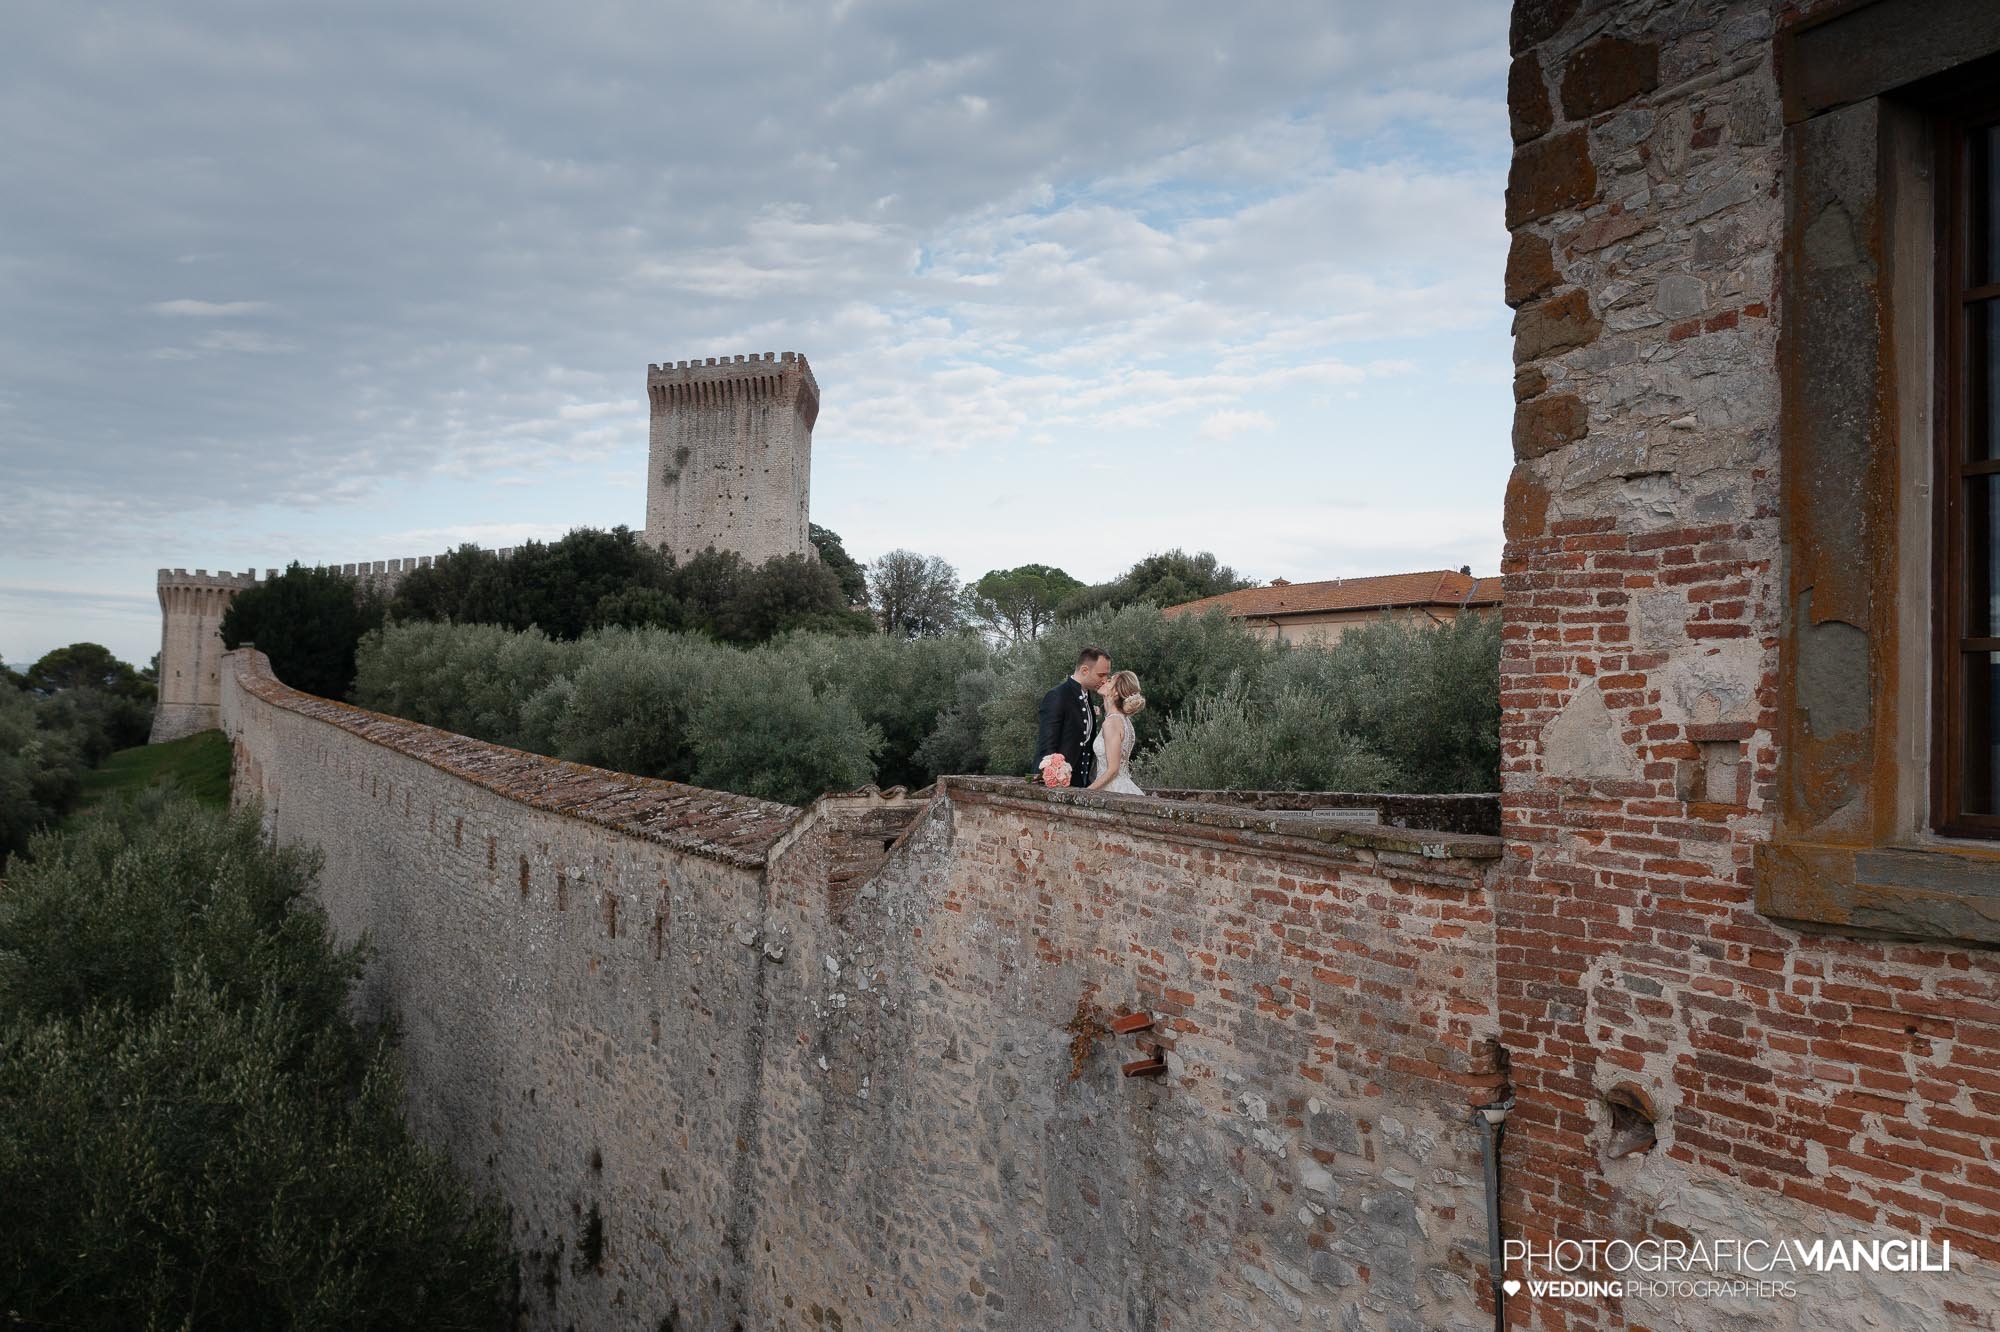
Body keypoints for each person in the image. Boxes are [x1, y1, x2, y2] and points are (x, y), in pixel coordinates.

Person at [1037, 646, 1110, 788]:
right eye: (1101, 675)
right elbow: (1047, 746)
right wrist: (1052, 780)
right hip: (1055, 787)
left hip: (1079, 785)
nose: (1105, 680)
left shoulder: (1087, 697)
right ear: (1084, 670)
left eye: (1107, 675)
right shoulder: (1058, 695)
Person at [1087, 670, 1146, 796]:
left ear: (1116, 692)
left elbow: (1113, 770)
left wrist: (1085, 793)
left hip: (1112, 791)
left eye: (1109, 681)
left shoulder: (1112, 723)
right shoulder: (1124, 720)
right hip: (1121, 787)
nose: (1105, 681)